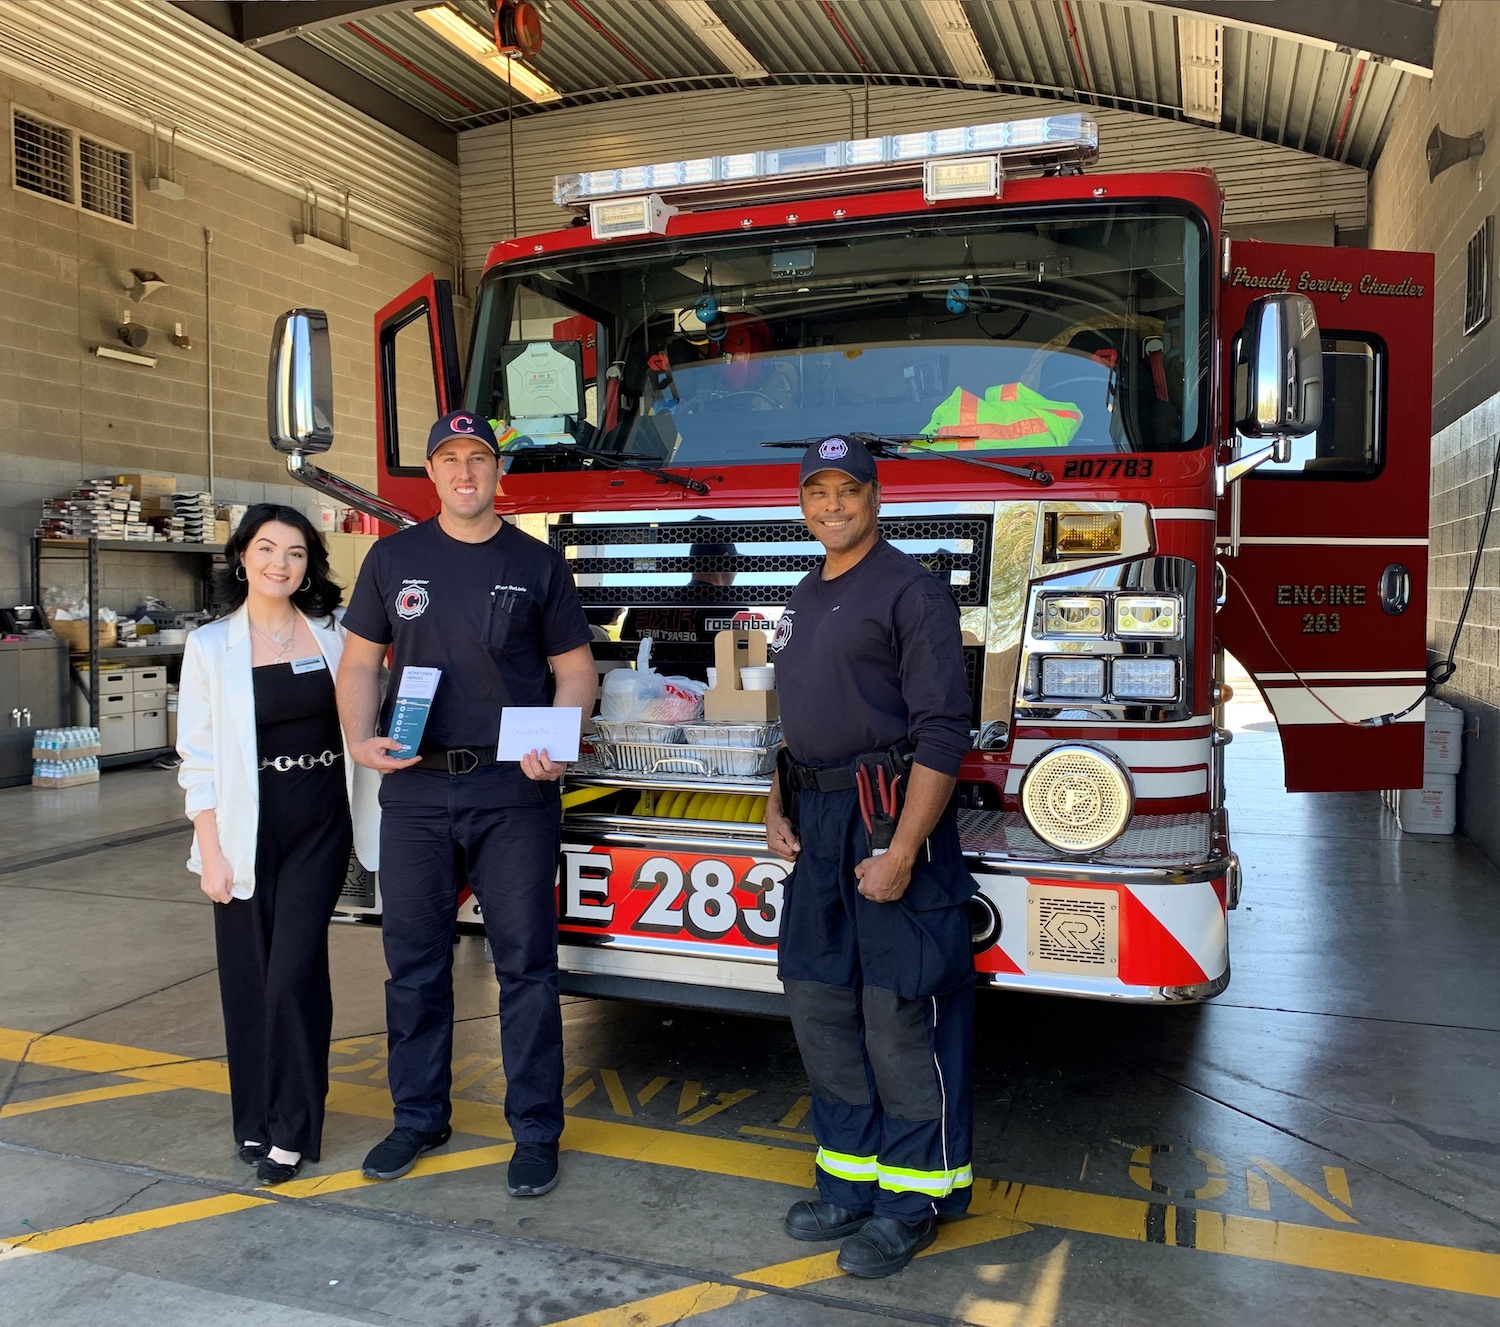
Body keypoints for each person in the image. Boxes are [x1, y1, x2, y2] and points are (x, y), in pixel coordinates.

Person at [338, 409, 596, 1198]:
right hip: (413, 786)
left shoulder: (537, 563)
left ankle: (536, 1129)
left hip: (513, 787)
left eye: (477, 458)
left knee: (526, 967)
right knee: (413, 965)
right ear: (430, 475)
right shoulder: (392, 560)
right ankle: (418, 1116)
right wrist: (357, 738)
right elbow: (357, 663)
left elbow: (575, 667)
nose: (464, 472)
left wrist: (564, 734)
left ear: (497, 474)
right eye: (448, 459)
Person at [765, 436, 979, 1278]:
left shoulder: (911, 591)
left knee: (897, 1016)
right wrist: (778, 800)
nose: (831, 506)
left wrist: (903, 848)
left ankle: (911, 1199)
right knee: (819, 1004)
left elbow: (942, 731)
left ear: (876, 496)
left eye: (846, 490)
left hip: (886, 816)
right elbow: (799, 716)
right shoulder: (805, 593)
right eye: (817, 492)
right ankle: (848, 1181)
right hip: (816, 822)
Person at [177, 503, 380, 1186]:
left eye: (295, 553)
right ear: (242, 557)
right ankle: (255, 1120)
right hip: (242, 824)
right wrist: (210, 848)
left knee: (292, 971)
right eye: (267, 549)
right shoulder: (210, 646)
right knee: (246, 979)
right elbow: (197, 758)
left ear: (309, 565)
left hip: (319, 818)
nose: (279, 563)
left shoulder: (331, 636)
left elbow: (369, 702)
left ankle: (292, 1128)